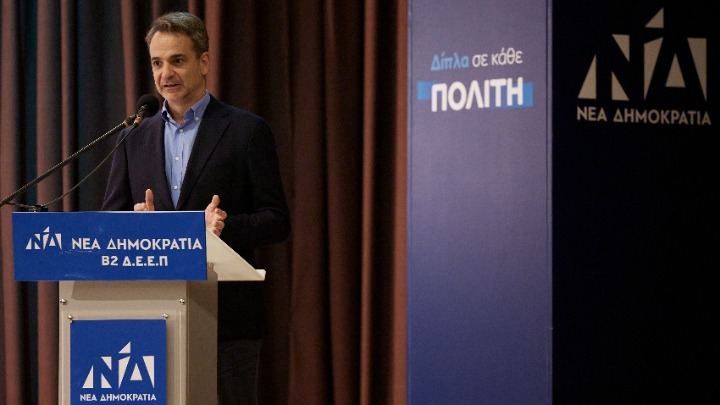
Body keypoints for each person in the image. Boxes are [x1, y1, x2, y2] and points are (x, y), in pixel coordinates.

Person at [101, 11, 290, 405]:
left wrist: (223, 226)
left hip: (227, 321)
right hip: (151, 318)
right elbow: (111, 222)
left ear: (204, 62)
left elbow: (276, 221)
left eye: (177, 60)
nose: (165, 73)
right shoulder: (133, 137)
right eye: (157, 63)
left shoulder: (246, 130)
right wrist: (135, 227)